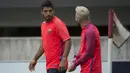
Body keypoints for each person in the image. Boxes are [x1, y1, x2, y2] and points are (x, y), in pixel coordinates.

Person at [29, 1, 72, 73]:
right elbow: (44, 45)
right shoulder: (43, 25)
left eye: (50, 11)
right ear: (41, 12)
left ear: (53, 11)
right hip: (50, 65)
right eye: (45, 11)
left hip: (58, 64)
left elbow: (68, 40)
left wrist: (64, 59)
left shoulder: (58, 23)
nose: (48, 13)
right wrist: (35, 59)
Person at [68, 6, 102, 73]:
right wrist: (76, 57)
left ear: (78, 18)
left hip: (91, 69)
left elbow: (89, 52)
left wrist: (75, 64)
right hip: (87, 68)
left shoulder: (90, 31)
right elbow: (83, 50)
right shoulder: (87, 29)